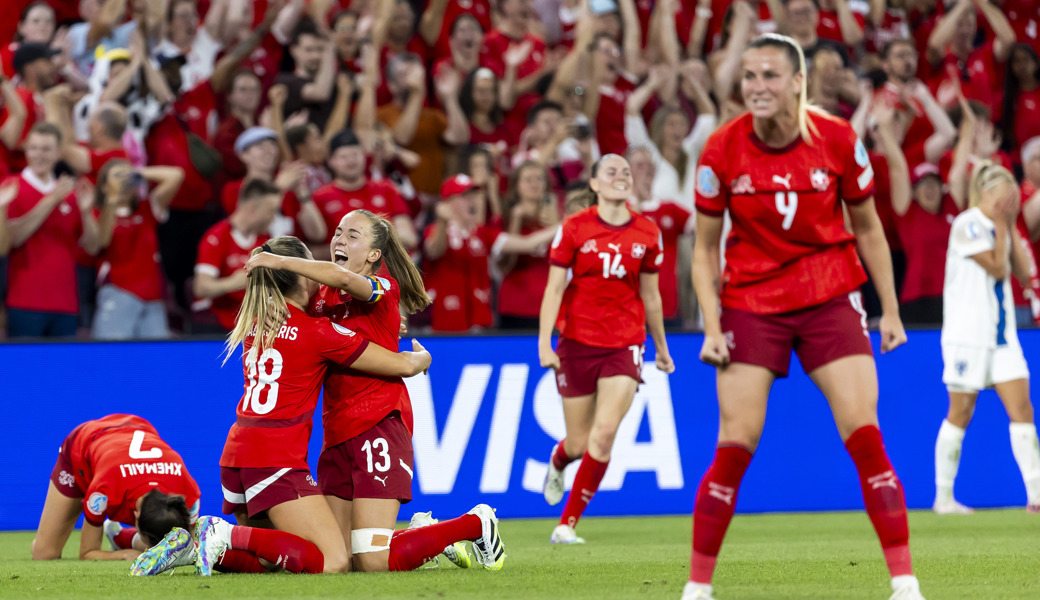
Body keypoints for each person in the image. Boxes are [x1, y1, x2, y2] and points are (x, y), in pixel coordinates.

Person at [685, 34, 921, 600]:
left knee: (864, 434)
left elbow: (868, 228)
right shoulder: (721, 149)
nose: (757, 87)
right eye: (749, 77)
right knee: (735, 442)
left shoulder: (838, 139)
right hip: (751, 300)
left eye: (769, 76)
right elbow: (702, 250)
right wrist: (712, 327)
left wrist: (889, 310)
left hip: (829, 292)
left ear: (797, 82)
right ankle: (697, 589)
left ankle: (905, 583)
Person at [134, 235, 439, 576]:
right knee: (332, 561)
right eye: (309, 269)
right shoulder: (319, 333)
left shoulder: (256, 323)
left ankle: (192, 549)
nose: (317, 276)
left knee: (274, 558)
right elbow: (402, 365)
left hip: (237, 456)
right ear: (298, 276)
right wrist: (422, 357)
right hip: (275, 458)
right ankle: (218, 533)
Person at [245, 211, 506, 572]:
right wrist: (274, 301)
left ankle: (475, 524)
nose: (339, 240)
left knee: (372, 561)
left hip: (378, 421)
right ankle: (423, 534)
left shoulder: (383, 287)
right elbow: (298, 300)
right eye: (337, 232)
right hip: (336, 429)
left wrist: (276, 259)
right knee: (339, 557)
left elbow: (340, 276)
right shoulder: (321, 296)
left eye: (352, 236)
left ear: (372, 255)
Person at [538, 153, 674, 544]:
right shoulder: (575, 228)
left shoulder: (648, 232)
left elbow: (651, 298)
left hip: (625, 343)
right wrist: (545, 343)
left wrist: (662, 348)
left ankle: (566, 525)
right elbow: (554, 288)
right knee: (579, 443)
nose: (621, 176)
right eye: (611, 171)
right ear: (594, 184)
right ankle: (559, 459)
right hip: (577, 342)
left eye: (626, 172)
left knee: (604, 434)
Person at [934, 163, 1040, 515]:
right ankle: (944, 497)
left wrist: (1008, 225)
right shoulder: (968, 223)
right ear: (987, 193)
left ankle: (1036, 496)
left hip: (1002, 335)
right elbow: (996, 268)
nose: (1010, 199)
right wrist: (999, 224)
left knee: (1022, 408)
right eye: (1004, 193)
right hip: (968, 335)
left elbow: (1025, 273)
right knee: (961, 411)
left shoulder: (1003, 226)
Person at [31, 414, 200, 563]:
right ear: (135, 515)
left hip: (136, 430)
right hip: (84, 444)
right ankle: (123, 540)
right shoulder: (103, 492)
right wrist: (124, 555)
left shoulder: (188, 492)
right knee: (44, 553)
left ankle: (119, 537)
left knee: (166, 545)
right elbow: (88, 552)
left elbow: (187, 543)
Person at [424, 174, 557, 331]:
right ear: (447, 202)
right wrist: (442, 222)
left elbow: (527, 244)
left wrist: (565, 224)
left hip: (480, 323)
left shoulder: (483, 233)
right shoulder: (435, 230)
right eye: (464, 196)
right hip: (445, 324)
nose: (472, 201)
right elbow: (433, 250)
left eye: (473, 195)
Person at [5, 123, 101, 338]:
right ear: (26, 150)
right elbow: (12, 240)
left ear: (58, 153)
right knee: (25, 371)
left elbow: (93, 248)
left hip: (65, 303)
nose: (39, 155)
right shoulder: (11, 187)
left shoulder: (71, 193)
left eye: (46, 149)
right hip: (24, 301)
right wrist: (51, 201)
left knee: (63, 371)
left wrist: (86, 213)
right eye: (34, 148)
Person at [91, 161, 184, 339]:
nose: (125, 183)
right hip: (118, 293)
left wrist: (138, 173)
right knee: (114, 358)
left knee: (155, 360)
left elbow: (176, 174)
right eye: (118, 178)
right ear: (103, 186)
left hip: (153, 298)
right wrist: (112, 198)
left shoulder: (146, 209)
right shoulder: (97, 213)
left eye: (129, 179)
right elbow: (102, 242)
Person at [193, 179, 279, 331]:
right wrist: (233, 283)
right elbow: (201, 287)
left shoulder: (265, 240)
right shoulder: (217, 237)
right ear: (253, 208)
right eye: (271, 211)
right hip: (217, 325)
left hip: (252, 323)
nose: (273, 218)